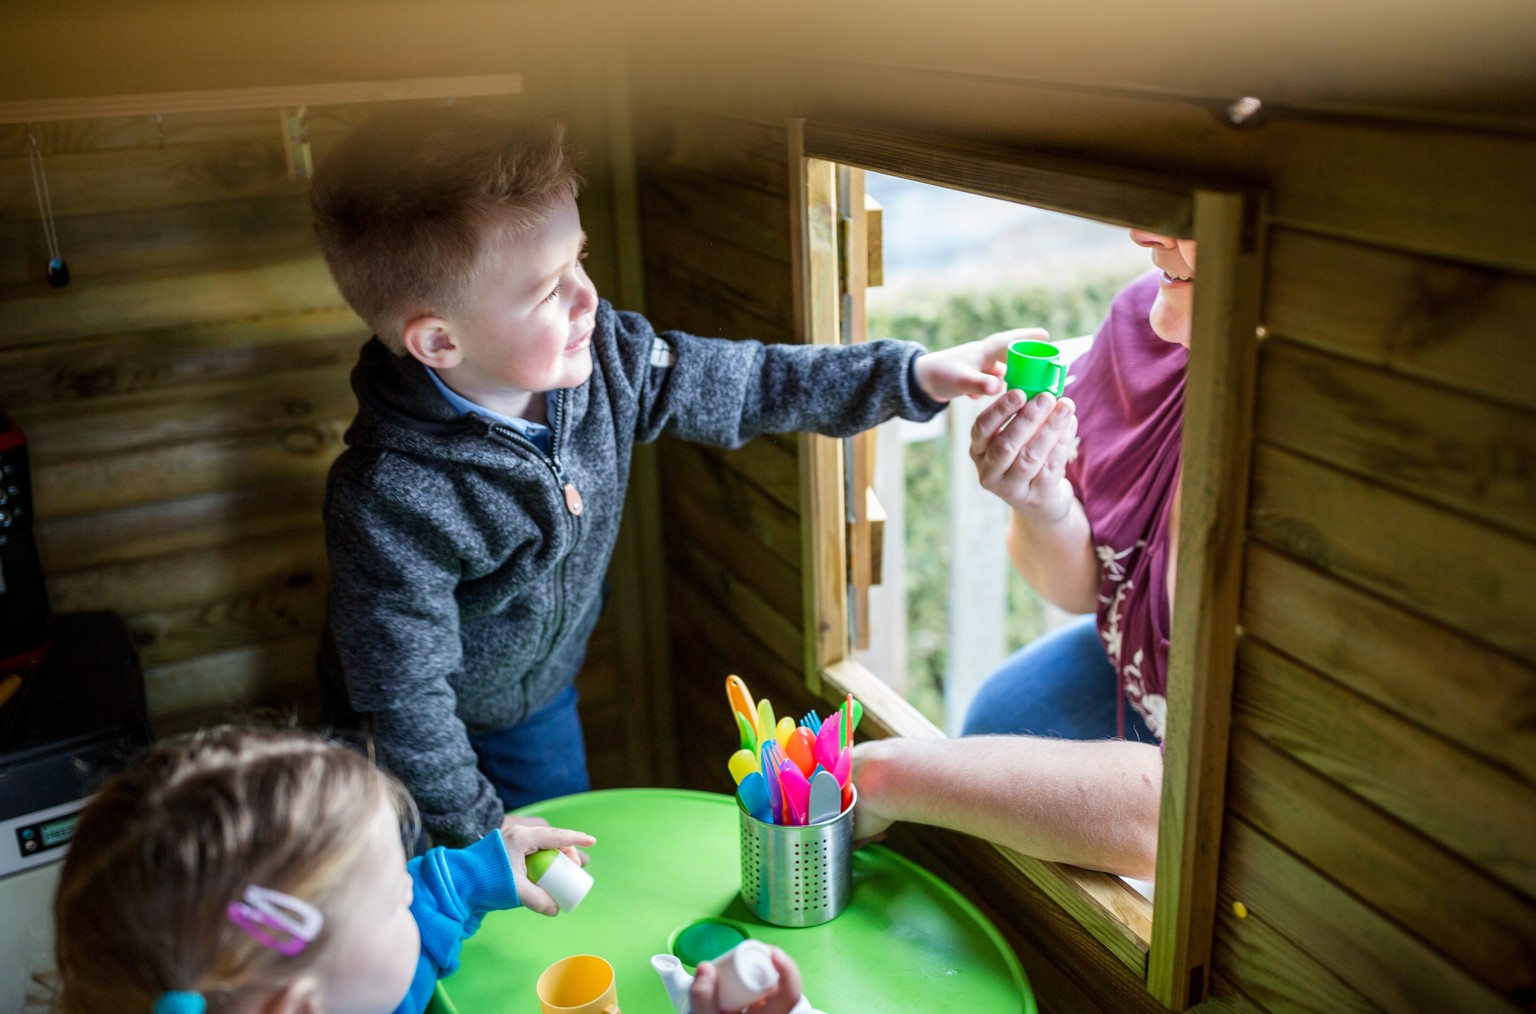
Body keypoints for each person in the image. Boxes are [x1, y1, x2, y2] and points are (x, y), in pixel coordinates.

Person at [308, 106, 1036, 847]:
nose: (588, 297)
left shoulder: (614, 361)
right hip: (403, 743)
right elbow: (404, 699)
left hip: (536, 707)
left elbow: (753, 383)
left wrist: (911, 374)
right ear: (438, 339)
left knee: (565, 873)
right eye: (546, 290)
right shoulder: (388, 498)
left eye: (579, 260)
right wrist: (476, 837)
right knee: (442, 898)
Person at [850, 231, 1197, 880]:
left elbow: (1189, 810)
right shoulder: (1140, 323)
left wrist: (886, 773)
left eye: (1194, 218)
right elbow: (1082, 591)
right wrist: (1044, 504)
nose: (1143, 232)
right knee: (1005, 712)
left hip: (1196, 780)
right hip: (1142, 679)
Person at [45, 726, 595, 1014]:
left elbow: (373, 962)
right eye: (391, 899)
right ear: (296, 1013)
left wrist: (470, 877)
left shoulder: (331, 994)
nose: (411, 885)